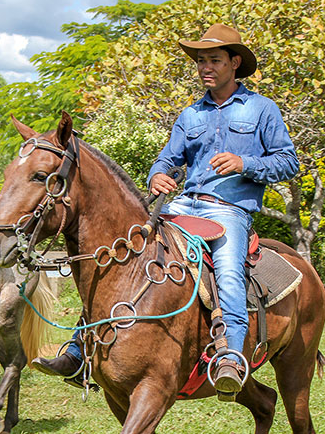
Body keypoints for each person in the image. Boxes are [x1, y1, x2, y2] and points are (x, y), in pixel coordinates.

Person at [31, 23, 299, 401]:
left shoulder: (261, 109)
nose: (205, 67)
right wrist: (158, 175)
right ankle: (79, 348)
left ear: (234, 62)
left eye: (214, 60)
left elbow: (288, 162)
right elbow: (167, 160)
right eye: (201, 60)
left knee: (228, 271)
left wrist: (244, 162)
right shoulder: (190, 115)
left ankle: (230, 356)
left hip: (229, 211)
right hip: (180, 206)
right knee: (124, 258)